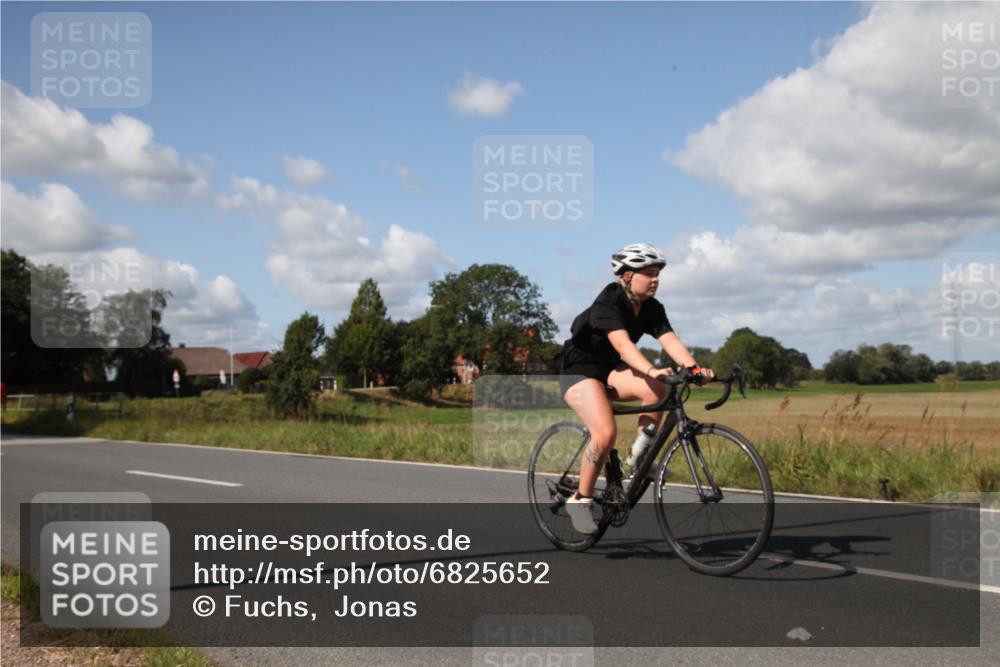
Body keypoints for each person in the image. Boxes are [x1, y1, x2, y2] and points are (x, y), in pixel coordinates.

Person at [557, 243, 714, 534]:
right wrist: (653, 368)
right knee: (604, 433)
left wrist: (694, 369)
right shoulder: (609, 300)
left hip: (610, 370)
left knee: (660, 390)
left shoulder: (652, 308)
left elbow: (670, 341)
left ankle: (638, 457)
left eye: (657, 274)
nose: (655, 279)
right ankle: (580, 499)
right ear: (627, 276)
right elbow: (623, 345)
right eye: (649, 274)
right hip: (578, 370)